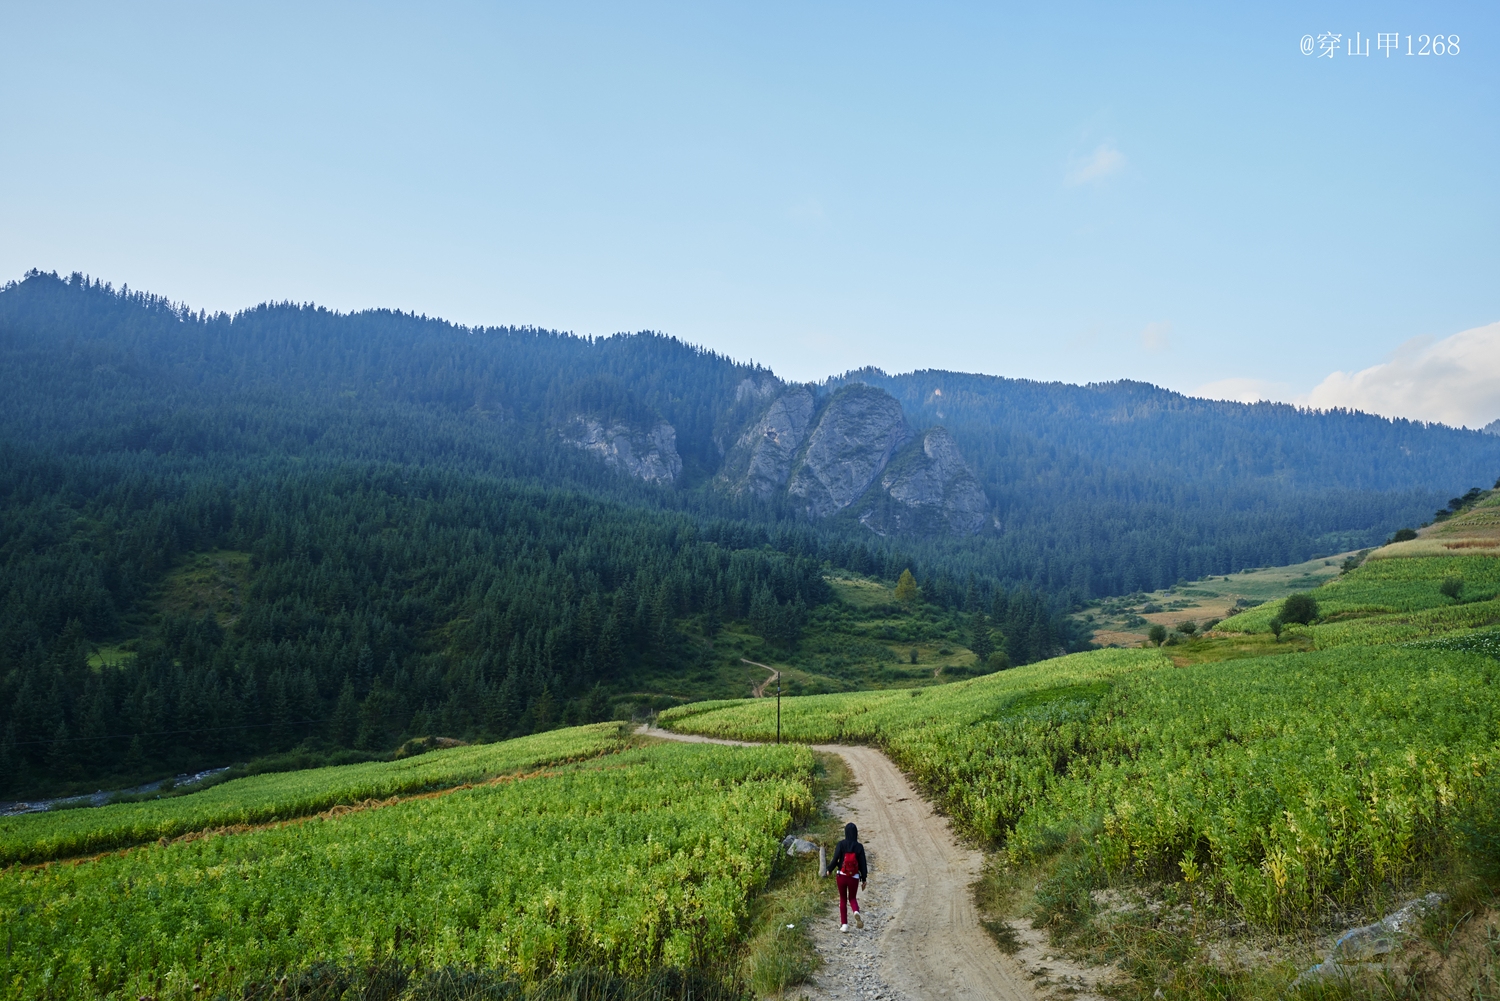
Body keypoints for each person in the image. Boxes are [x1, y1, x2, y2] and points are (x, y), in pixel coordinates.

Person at [827, 821, 867, 932]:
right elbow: (863, 863)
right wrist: (864, 878)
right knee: (853, 898)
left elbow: (835, 859)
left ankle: (844, 925)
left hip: (842, 876)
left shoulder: (841, 844)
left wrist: (829, 869)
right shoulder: (859, 847)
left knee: (843, 899)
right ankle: (856, 911)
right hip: (854, 877)